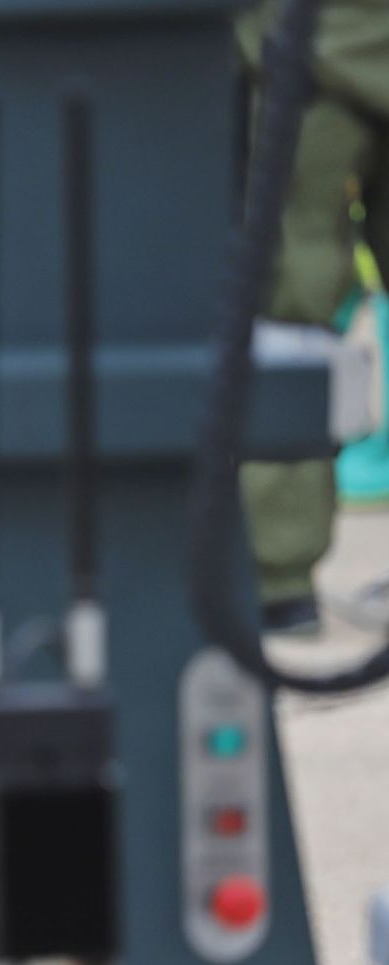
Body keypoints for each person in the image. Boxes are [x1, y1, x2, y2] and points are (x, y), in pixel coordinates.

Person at [236, 0, 389, 635]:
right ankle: (278, 577)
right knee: (286, 286)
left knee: (285, 281)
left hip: (302, 37)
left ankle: (278, 575)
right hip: (322, 33)